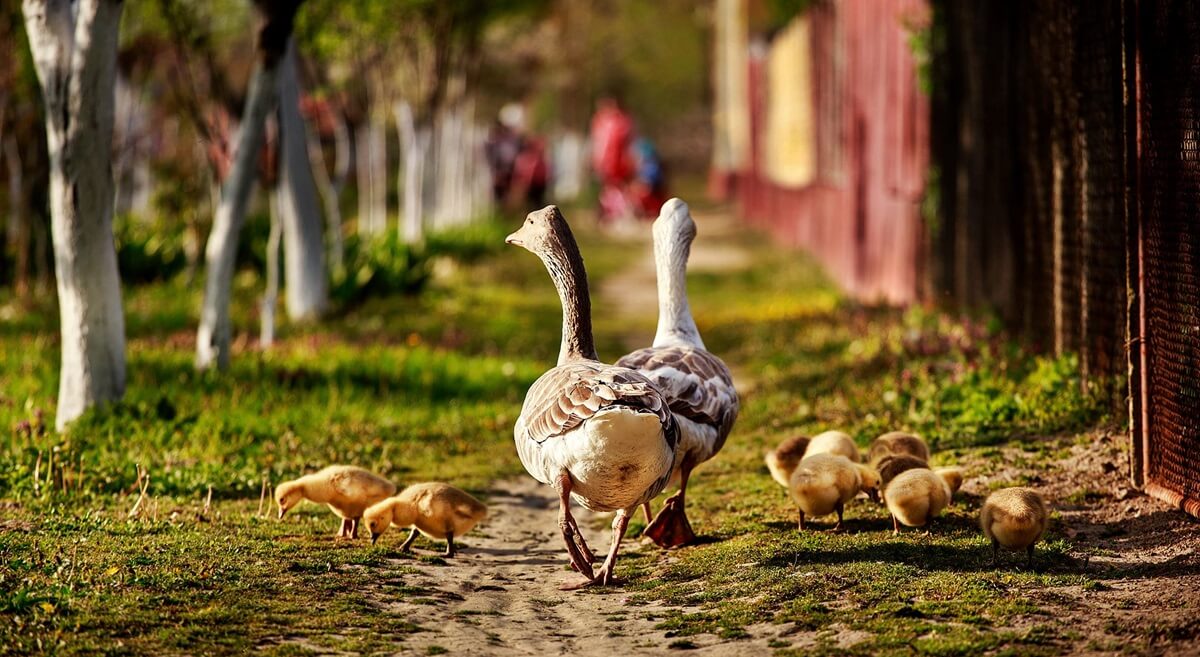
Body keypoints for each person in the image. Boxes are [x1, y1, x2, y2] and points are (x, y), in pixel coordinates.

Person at [590, 96, 635, 222]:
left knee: (618, 185)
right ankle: (609, 210)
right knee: (608, 186)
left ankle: (618, 210)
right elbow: (598, 143)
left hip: (617, 159)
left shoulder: (620, 122)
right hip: (607, 160)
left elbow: (623, 142)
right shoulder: (601, 121)